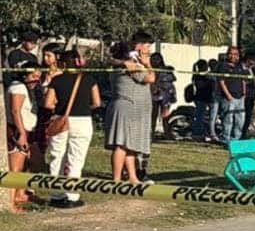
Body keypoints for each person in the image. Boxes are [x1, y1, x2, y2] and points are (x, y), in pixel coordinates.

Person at [44, 50, 101, 208]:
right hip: (82, 120)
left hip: (61, 120)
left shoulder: (56, 80)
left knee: (57, 156)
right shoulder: (89, 79)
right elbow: (97, 102)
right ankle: (72, 196)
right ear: (78, 62)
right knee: (76, 159)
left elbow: (48, 104)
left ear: (62, 63)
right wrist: (84, 107)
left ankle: (56, 195)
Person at [104, 32, 156, 183]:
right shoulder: (131, 63)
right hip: (127, 107)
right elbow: (150, 78)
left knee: (130, 145)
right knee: (121, 144)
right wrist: (147, 64)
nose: (149, 50)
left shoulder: (124, 63)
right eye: (147, 46)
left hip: (133, 109)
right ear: (138, 47)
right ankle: (116, 178)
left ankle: (132, 177)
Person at [5, 62, 42, 211]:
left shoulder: (27, 88)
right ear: (25, 75)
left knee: (31, 162)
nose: (36, 80)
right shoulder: (18, 87)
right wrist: (21, 134)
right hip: (18, 130)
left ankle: (21, 193)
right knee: (16, 168)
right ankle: (12, 202)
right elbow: (15, 111)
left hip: (29, 130)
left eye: (39, 77)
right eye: (33, 76)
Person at [217, 46, 246, 146]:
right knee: (228, 120)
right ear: (228, 54)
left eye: (236, 54)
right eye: (231, 54)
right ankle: (226, 140)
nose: (233, 56)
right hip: (229, 98)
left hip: (240, 98)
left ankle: (236, 140)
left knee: (240, 120)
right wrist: (228, 95)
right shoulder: (223, 66)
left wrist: (244, 93)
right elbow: (222, 82)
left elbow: (243, 80)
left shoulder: (239, 67)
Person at [150, 52, 176, 138]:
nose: (155, 61)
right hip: (154, 94)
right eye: (153, 58)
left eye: (157, 59)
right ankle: (151, 133)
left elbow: (172, 80)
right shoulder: (150, 70)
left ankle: (167, 133)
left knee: (165, 115)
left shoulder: (166, 70)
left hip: (165, 95)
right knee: (153, 115)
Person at [191, 59, 212, 141]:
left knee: (206, 116)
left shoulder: (207, 75)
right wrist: (209, 81)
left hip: (208, 98)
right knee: (200, 116)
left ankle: (205, 130)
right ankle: (197, 133)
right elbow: (200, 85)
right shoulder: (197, 76)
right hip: (201, 98)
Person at [241, 53, 255, 139]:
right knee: (244, 116)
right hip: (245, 97)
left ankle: (245, 133)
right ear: (248, 61)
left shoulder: (250, 70)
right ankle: (241, 134)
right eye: (253, 62)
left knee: (249, 116)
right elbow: (243, 82)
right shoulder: (242, 69)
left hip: (251, 96)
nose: (254, 64)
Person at [206, 58, 220, 142]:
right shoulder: (209, 75)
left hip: (220, 97)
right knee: (213, 116)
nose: (214, 66)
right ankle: (212, 133)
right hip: (213, 98)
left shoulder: (218, 74)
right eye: (213, 64)